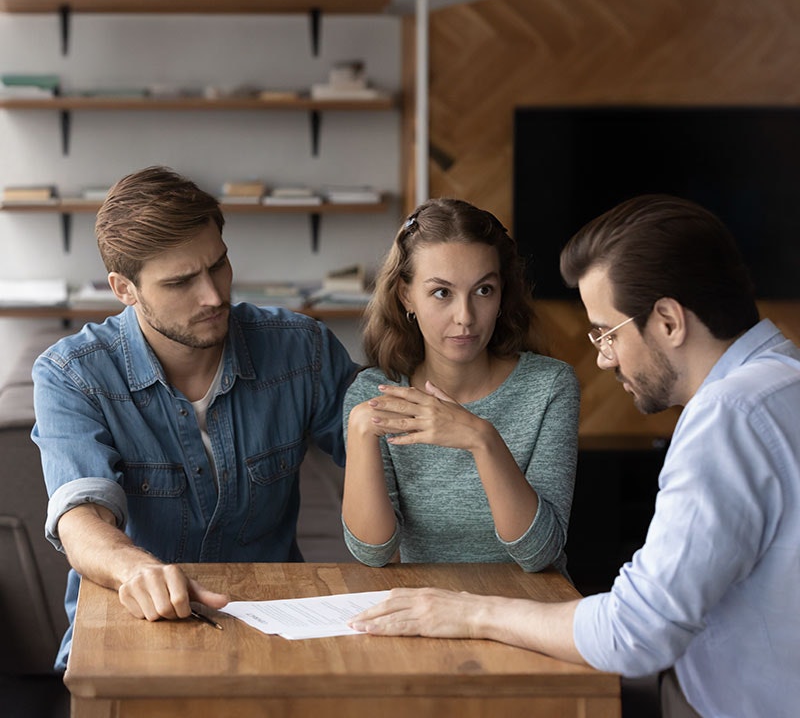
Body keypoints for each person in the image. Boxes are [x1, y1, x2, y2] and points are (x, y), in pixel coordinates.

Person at [348, 194, 800, 718]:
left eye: (606, 331)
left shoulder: (728, 419)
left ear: (669, 322)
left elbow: (635, 631)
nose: (604, 357)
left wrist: (472, 613)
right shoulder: (782, 378)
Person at [32, 166, 358, 670]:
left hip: (274, 629)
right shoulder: (72, 374)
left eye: (219, 265)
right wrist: (134, 568)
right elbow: (80, 514)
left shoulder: (302, 350)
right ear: (125, 288)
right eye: (182, 281)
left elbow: (393, 459)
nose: (213, 296)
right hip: (132, 631)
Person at [341, 197, 579, 576]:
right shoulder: (374, 396)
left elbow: (539, 554)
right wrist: (358, 431)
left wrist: (480, 438)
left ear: (502, 294)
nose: (465, 317)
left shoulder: (549, 386)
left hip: (528, 610)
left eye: (483, 290)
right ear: (406, 295)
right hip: (426, 610)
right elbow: (374, 554)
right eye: (442, 293)